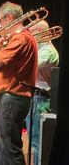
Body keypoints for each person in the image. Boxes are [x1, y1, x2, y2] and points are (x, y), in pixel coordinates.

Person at [0, 1, 38, 165]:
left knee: (10, 149)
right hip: (13, 98)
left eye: (0, 20)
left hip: (12, 98)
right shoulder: (22, 39)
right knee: (3, 147)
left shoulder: (21, 38)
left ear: (9, 17)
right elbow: (2, 66)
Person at [25, 20, 59, 165]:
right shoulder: (39, 49)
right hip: (34, 98)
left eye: (31, 31)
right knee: (34, 142)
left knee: (38, 143)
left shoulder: (49, 51)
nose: (28, 35)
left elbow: (30, 66)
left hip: (41, 99)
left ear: (39, 31)